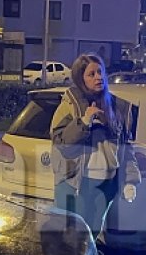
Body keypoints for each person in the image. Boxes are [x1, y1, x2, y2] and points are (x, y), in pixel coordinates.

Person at [50, 53, 140, 241]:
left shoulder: (118, 107)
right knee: (72, 237)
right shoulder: (70, 105)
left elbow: (125, 147)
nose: (98, 77)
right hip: (79, 182)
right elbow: (62, 144)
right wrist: (84, 122)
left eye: (100, 72)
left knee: (92, 234)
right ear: (80, 78)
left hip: (106, 183)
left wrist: (130, 180)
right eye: (91, 74)